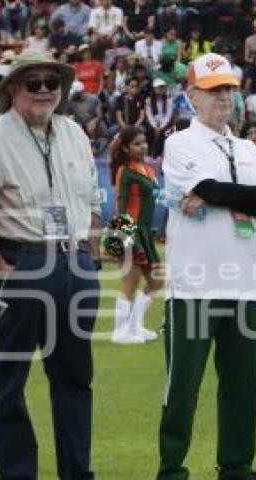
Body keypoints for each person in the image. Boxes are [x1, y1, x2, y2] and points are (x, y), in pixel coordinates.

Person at [0, 50, 121, 480]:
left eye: (51, 83)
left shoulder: (75, 132)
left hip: (74, 263)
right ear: (11, 90)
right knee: (10, 377)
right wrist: (1, 268)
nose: (43, 90)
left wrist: (92, 252)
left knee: (76, 377)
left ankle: (79, 479)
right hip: (23, 263)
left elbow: (94, 197)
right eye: (32, 83)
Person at [156, 52, 256, 480]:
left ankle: (236, 465)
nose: (224, 98)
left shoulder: (249, 148)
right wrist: (252, 196)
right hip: (195, 282)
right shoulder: (180, 143)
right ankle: (171, 472)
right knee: (184, 384)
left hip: (245, 280)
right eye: (214, 91)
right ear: (191, 95)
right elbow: (214, 190)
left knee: (243, 383)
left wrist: (234, 195)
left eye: (229, 89)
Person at [109, 126, 163, 344]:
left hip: (145, 232)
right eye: (136, 144)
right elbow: (121, 203)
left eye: (144, 142)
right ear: (125, 148)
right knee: (130, 280)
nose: (143, 147)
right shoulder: (125, 170)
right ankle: (119, 331)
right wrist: (124, 234)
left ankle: (135, 325)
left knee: (157, 280)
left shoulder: (147, 169)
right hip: (129, 229)